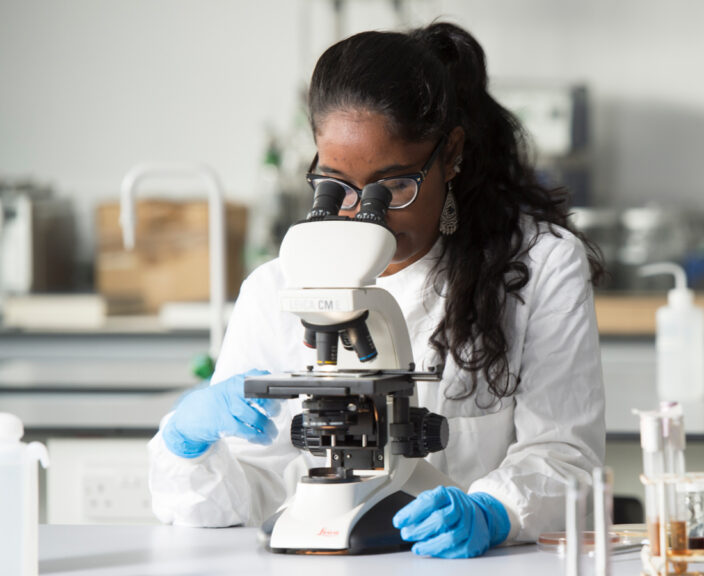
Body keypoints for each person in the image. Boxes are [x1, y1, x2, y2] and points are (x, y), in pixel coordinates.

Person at [148, 21, 606, 559]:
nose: (365, 211)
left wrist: (495, 511)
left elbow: (567, 457)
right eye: (336, 183)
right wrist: (189, 444)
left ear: (451, 154)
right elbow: (250, 491)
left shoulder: (538, 265)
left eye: (393, 186)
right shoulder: (276, 286)